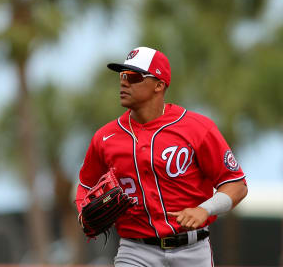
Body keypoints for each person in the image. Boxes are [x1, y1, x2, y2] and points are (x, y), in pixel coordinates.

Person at [75, 46, 248, 266]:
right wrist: (83, 212)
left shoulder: (197, 128)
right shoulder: (105, 137)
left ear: (159, 84)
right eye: (122, 75)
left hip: (192, 249)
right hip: (135, 250)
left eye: (134, 77)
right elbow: (85, 184)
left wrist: (205, 209)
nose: (124, 82)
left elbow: (236, 185)